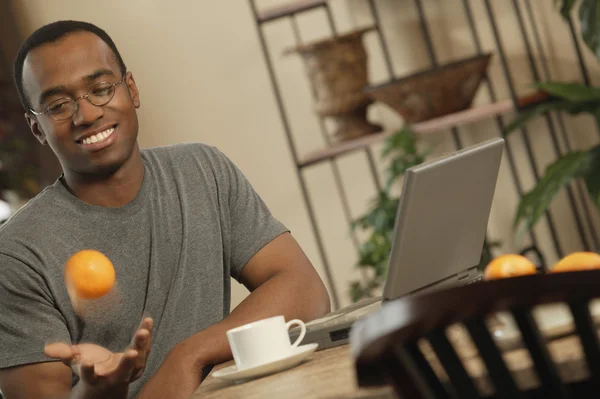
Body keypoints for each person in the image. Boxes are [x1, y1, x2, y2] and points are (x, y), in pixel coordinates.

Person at [0, 20, 331, 399]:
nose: (87, 114)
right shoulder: (15, 255)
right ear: (37, 128)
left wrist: (188, 355)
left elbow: (304, 289)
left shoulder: (203, 171)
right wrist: (98, 390)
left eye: (101, 89)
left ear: (132, 90)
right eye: (58, 105)